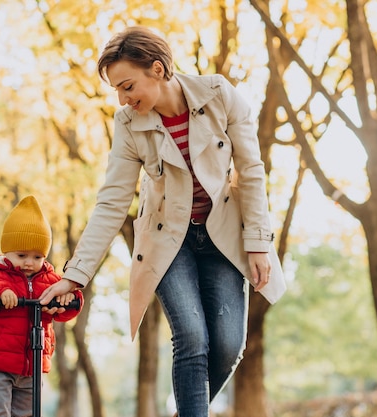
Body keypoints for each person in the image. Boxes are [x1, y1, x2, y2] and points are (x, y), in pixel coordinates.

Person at [39, 26, 286, 417]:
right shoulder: (128, 124)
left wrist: (257, 241)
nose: (122, 99)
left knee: (226, 346)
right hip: (170, 240)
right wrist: (75, 275)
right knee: (191, 336)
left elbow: (251, 171)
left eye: (127, 86)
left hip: (223, 236)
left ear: (157, 69)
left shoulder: (220, 95)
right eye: (117, 90)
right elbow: (112, 202)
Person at [0, 195, 83, 417]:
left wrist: (68, 300)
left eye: (37, 257)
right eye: (21, 255)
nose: (29, 262)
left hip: (32, 363)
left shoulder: (49, 279)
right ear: (6, 251)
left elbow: (71, 304)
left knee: (27, 413)